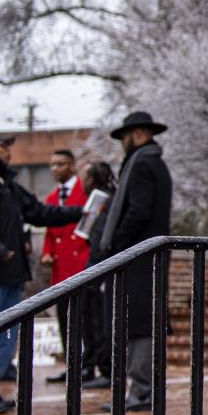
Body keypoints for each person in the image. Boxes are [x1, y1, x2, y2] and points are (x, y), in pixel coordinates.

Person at [0, 134, 84, 413]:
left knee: (7, 334)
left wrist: (81, 212)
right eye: (3, 147)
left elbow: (40, 212)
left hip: (12, 273)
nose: (9, 153)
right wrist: (0, 250)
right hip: (0, 268)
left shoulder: (9, 186)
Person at [93, 112, 173, 414]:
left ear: (137, 134)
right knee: (140, 322)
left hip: (138, 258)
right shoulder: (153, 162)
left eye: (124, 136)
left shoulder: (141, 164)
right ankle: (141, 390)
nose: (122, 143)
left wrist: (116, 244)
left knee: (139, 324)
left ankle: (141, 392)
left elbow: (138, 211)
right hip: (145, 256)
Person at [41, 149, 90, 383]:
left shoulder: (85, 192)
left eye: (60, 164)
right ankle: (72, 365)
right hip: (60, 268)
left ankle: (89, 365)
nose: (54, 169)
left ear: (72, 165)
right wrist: (47, 252)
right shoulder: (51, 198)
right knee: (64, 318)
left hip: (81, 263)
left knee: (87, 318)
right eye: (52, 164)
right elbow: (50, 231)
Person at [79, 162, 117, 390]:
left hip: (100, 270)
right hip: (93, 268)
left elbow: (101, 242)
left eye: (85, 177)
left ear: (93, 179)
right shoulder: (100, 201)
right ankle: (92, 365)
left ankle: (106, 369)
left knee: (100, 322)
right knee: (92, 322)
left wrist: (95, 268)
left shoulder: (105, 202)